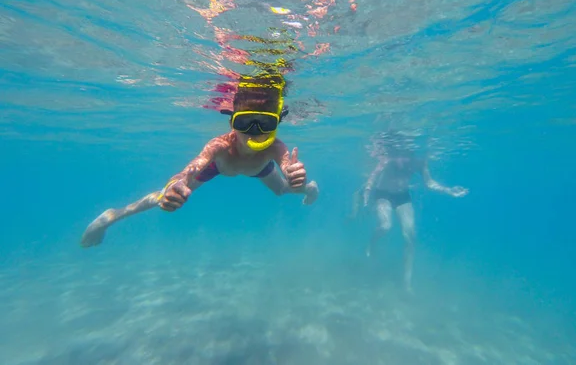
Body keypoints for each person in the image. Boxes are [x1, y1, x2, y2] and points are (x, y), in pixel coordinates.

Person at [81, 73, 319, 247]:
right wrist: (176, 183)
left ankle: (311, 189)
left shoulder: (275, 148)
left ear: (276, 124)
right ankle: (110, 217)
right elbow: (190, 169)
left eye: (265, 123)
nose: (254, 132)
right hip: (220, 166)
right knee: (164, 194)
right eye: (244, 123)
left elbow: (288, 165)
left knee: (283, 190)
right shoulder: (220, 146)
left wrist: (297, 176)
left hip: (259, 167)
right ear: (231, 123)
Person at [360, 131, 467, 292]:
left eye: (408, 151)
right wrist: (367, 199)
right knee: (385, 226)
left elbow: (429, 183)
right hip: (383, 195)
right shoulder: (386, 159)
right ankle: (372, 243)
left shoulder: (419, 162)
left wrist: (448, 190)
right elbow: (371, 179)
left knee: (410, 235)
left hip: (403, 196)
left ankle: (406, 282)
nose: (404, 156)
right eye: (401, 151)